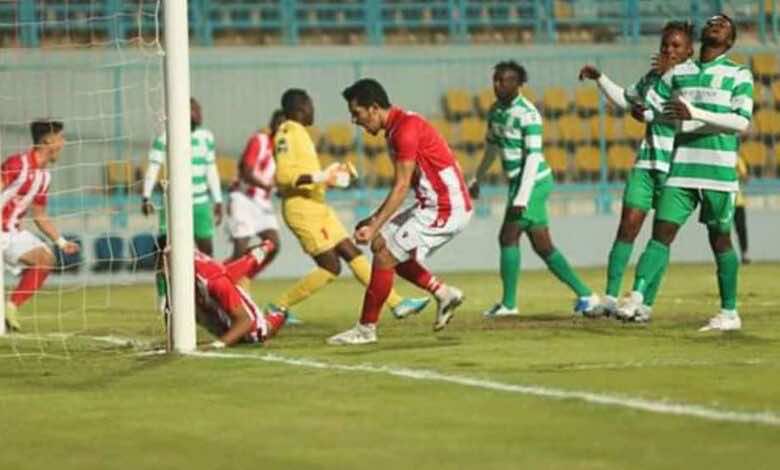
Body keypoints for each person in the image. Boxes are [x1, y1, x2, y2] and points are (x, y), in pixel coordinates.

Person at [617, 14, 753, 332]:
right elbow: (656, 107)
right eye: (712, 22)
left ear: (730, 40)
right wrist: (644, 112)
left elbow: (741, 122)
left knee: (720, 240)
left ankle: (729, 312)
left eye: (723, 24)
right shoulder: (680, 73)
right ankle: (636, 295)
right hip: (681, 168)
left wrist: (696, 113)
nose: (715, 24)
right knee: (661, 234)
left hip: (718, 170)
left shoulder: (738, 74)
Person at [327, 78, 473, 345]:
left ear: (373, 108)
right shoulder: (397, 128)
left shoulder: (404, 130)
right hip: (432, 203)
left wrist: (373, 223)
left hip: (445, 207)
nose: (354, 120)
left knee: (385, 257)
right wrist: (375, 223)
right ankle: (442, 293)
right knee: (382, 244)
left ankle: (366, 329)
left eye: (356, 113)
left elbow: (402, 185)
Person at [271, 88, 428, 320]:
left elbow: (308, 176)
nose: (314, 109)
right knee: (330, 267)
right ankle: (278, 306)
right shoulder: (286, 133)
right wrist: (322, 177)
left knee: (352, 251)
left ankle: (397, 303)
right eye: (311, 104)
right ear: (301, 107)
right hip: (301, 210)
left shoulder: (301, 133)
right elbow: (283, 177)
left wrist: (332, 178)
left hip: (317, 205)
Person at [578, 21, 696, 320]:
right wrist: (601, 79)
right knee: (627, 227)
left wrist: (649, 109)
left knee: (660, 237)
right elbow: (627, 99)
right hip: (646, 163)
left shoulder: (695, 79)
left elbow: (686, 117)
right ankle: (610, 297)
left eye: (676, 46)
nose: (669, 50)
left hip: (676, 167)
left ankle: (644, 304)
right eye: (665, 45)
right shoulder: (652, 78)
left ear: (689, 51)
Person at [469, 61, 600, 319]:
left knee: (508, 237)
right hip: (520, 185)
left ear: (519, 85)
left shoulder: (528, 114)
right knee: (543, 246)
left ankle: (509, 304)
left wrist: (522, 196)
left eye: (504, 80)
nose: (498, 85)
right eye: (495, 80)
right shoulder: (495, 111)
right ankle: (587, 295)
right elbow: (492, 149)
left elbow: (532, 157)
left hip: (534, 183)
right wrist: (477, 179)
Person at [142, 97, 223, 311]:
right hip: (173, 204)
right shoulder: (165, 138)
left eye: (199, 109)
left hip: (200, 203)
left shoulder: (206, 137)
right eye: (193, 109)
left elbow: (211, 169)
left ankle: (209, 292)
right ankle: (163, 295)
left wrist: (218, 199)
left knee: (206, 250)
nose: (198, 113)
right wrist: (146, 196)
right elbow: (153, 167)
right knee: (164, 250)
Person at [1, 120, 80, 331]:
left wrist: (62, 243)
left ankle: (11, 307)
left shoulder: (44, 176)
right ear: (48, 141)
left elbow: (39, 214)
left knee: (46, 260)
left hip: (11, 233)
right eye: (60, 138)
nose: (63, 143)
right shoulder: (17, 163)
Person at [185, 241, 287, 348]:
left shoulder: (214, 280)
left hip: (249, 330)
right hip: (221, 305)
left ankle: (280, 314)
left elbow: (246, 321)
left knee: (261, 331)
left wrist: (216, 345)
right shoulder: (201, 269)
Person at [225, 109, 285, 279]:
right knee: (240, 249)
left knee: (273, 245)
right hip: (243, 198)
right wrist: (269, 186)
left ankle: (243, 277)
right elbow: (246, 171)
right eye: (279, 124)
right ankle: (221, 282)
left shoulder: (281, 153)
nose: (282, 129)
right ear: (273, 124)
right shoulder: (259, 140)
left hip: (261, 202)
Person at [734, 155, 750, 264]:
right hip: (724, 200)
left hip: (737, 201)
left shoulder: (737, 159)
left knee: (741, 229)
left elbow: (745, 177)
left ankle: (744, 254)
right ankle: (723, 256)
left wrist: (738, 176)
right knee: (720, 229)